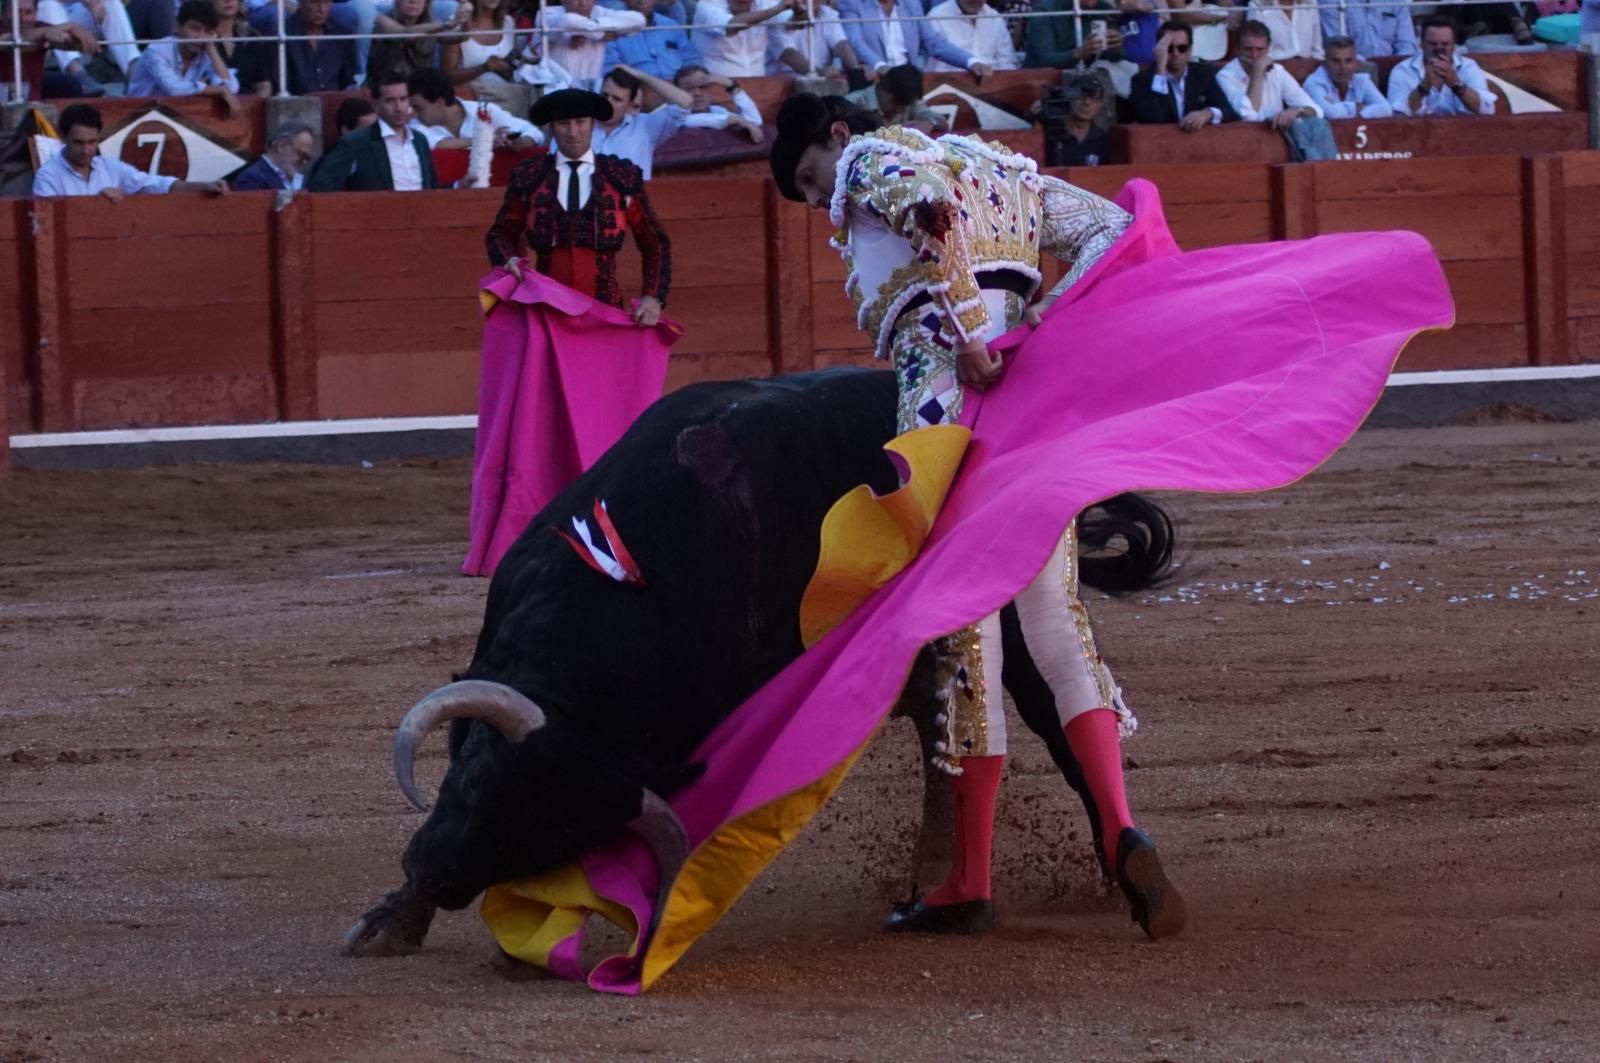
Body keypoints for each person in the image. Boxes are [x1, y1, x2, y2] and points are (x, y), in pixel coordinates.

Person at [769, 94, 1185, 938]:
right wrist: (1041, 319)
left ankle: (969, 877)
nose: (825, 205)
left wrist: (965, 334)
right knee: (1058, 627)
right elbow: (1110, 230)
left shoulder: (873, 158)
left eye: (814, 179)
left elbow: (930, 211)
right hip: (1029, 408)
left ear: (836, 137)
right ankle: (1120, 827)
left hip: (944, 403)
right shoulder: (1000, 165)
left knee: (965, 631)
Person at [486, 88, 670, 322]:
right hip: (546, 309)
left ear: (593, 124)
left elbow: (654, 241)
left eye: (580, 122)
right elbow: (502, 232)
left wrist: (653, 297)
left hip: (604, 309)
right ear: (552, 127)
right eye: (564, 123)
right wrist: (508, 260)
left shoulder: (621, 177)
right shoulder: (529, 177)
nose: (573, 132)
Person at [34, 102, 229, 197]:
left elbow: (157, 185)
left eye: (92, 142)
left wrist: (202, 186)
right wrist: (95, 205)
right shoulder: (48, 176)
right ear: (63, 137)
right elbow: (50, 224)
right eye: (79, 143)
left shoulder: (110, 168)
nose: (86, 150)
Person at [308, 72, 440, 191]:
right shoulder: (356, 142)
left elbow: (432, 187)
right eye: (390, 101)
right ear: (376, 105)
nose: (398, 108)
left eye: (403, 99)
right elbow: (321, 185)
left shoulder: (420, 140)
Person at [125, 0, 242, 114]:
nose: (200, 37)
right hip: (138, 115)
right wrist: (219, 90)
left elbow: (231, 88)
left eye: (208, 32)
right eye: (195, 28)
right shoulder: (156, 51)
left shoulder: (206, 51)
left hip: (177, 116)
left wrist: (212, 50)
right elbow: (175, 89)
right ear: (178, 27)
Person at [837, 0, 995, 78]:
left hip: (909, 81)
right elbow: (855, 41)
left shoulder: (911, 3)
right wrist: (881, 67)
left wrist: (972, 62)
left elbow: (934, 43)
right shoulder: (851, 3)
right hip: (874, 79)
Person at [1129, 20, 1237, 129]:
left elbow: (1229, 111)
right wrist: (1160, 70)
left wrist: (1208, 113)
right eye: (1169, 49)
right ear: (1160, 50)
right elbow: (1153, 118)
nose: (1176, 53)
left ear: (1190, 50)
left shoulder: (1204, 74)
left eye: (1182, 48)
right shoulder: (1141, 80)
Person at [1216, 19, 1322, 129]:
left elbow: (1317, 111)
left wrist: (1297, 110)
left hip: (1277, 137)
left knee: (1317, 126)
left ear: (1268, 49)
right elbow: (1248, 116)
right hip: (1245, 138)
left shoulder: (1277, 71)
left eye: (1260, 49)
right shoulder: (1225, 76)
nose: (1254, 55)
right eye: (1248, 49)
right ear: (1237, 49)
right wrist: (1258, 71)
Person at [407, 66, 543, 150]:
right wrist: (484, 140)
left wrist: (522, 142)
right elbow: (431, 144)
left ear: (439, 102)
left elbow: (532, 132)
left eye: (418, 108)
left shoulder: (486, 111)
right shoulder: (414, 125)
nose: (412, 113)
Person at [1385, 16, 1497, 117]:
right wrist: (1424, 86)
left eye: (1445, 44)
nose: (1439, 49)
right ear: (1421, 44)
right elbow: (1398, 116)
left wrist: (1456, 85)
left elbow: (1486, 110)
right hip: (1419, 135)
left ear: (1454, 45)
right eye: (1433, 44)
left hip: (1462, 134)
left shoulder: (1468, 67)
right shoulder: (1403, 70)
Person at [539, 0, 647, 89]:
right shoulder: (546, 13)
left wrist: (586, 31)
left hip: (592, 90)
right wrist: (601, 33)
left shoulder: (599, 12)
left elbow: (639, 20)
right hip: (556, 89)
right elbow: (568, 20)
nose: (583, 3)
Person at [368, 0, 468, 89]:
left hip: (418, 91)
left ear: (426, 4)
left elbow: (460, 37)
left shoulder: (434, 25)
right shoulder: (381, 20)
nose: (413, 1)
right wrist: (448, 24)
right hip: (384, 89)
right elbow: (405, 35)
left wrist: (466, 17)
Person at [1301, 34, 1392, 119]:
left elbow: (1386, 109)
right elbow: (1330, 113)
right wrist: (1355, 108)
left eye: (1348, 61)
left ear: (1356, 64)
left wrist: (1359, 112)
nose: (1343, 67)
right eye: (1336, 61)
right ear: (1325, 63)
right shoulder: (1313, 83)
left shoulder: (1362, 80)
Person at [602, 0, 698, 80]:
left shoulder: (671, 26)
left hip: (679, 94)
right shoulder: (613, 32)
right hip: (639, 96)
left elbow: (691, 61)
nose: (641, 1)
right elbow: (611, 75)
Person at [844, 63, 948, 135]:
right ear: (883, 89)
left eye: (904, 105)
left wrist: (930, 123)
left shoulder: (909, 101)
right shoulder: (852, 102)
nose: (900, 110)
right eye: (897, 103)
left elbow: (941, 121)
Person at [281, 0, 358, 94]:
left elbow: (348, 80)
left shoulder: (342, 33)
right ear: (300, 2)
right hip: (296, 104)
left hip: (334, 102)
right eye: (315, 2)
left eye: (326, 3)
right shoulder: (282, 36)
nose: (322, 9)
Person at [922, 0, 1019, 73]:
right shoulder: (937, 16)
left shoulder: (995, 17)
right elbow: (937, 68)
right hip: (952, 87)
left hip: (992, 85)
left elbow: (1007, 63)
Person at [1045, 73, 1111, 166]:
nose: (1086, 102)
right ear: (1069, 98)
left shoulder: (1103, 140)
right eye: (1081, 96)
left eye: (1093, 98)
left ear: (1100, 105)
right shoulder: (1052, 135)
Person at [232, 120, 317, 190]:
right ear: (281, 146)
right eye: (302, 155)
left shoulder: (293, 178)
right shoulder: (252, 179)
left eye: (307, 158)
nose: (304, 162)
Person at [1317, 0, 1416, 59]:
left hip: (1395, 68)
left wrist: (1398, 68)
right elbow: (1338, 47)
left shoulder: (1396, 1)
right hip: (1353, 71)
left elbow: (1407, 45)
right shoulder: (1330, 1)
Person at [1244, 0, 1322, 60]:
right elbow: (1257, 53)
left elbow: (1317, 49)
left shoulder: (1310, 2)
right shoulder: (1257, 5)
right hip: (1273, 69)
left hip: (1308, 68)